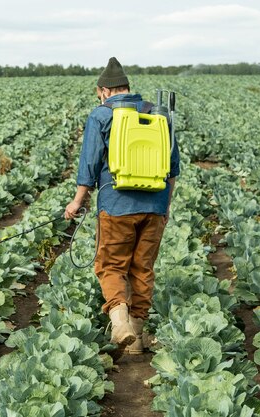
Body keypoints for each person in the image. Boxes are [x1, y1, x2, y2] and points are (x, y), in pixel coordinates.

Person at [64, 57, 180, 360]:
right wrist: (164, 208)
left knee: (111, 266)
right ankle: (138, 336)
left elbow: (89, 164)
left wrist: (77, 201)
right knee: (142, 269)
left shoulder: (103, 115)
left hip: (116, 206)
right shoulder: (158, 114)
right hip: (155, 206)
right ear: (128, 87)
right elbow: (173, 169)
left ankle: (120, 323)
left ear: (103, 91)